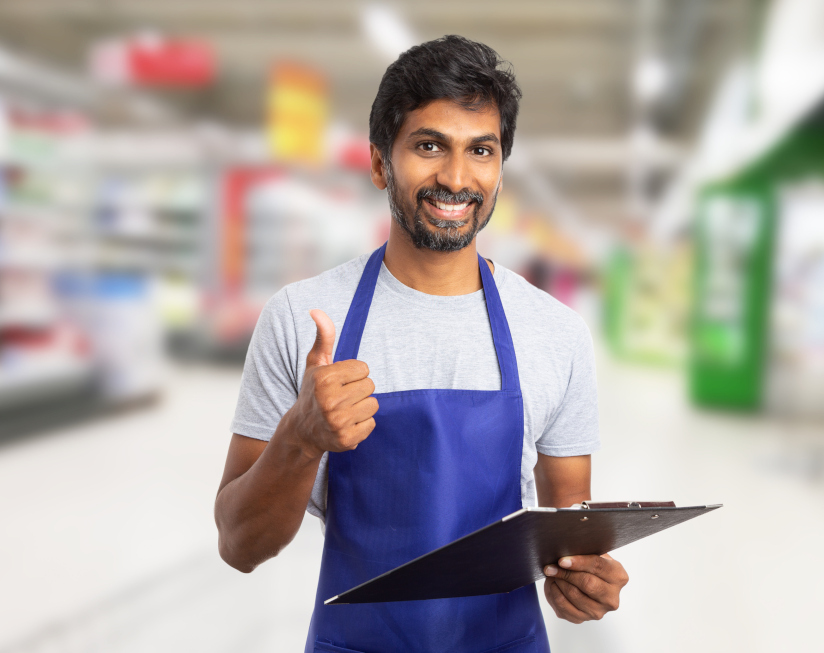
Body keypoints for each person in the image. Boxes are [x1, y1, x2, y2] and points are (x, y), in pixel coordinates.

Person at [214, 35, 628, 653]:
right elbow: (240, 545)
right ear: (381, 163)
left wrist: (582, 589)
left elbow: (569, 540)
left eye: (480, 150)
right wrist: (300, 436)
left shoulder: (555, 332)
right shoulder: (301, 317)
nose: (456, 178)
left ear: (500, 169)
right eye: (429, 146)